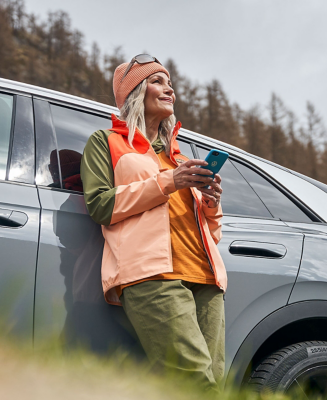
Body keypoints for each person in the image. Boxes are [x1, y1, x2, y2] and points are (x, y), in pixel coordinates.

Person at [80, 54, 227, 391]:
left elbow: (212, 234)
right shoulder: (107, 142)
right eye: (158, 81)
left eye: (170, 84)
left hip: (206, 279)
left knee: (214, 386)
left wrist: (210, 204)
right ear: (135, 92)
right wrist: (169, 182)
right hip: (153, 276)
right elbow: (101, 205)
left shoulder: (181, 156)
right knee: (195, 385)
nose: (169, 90)